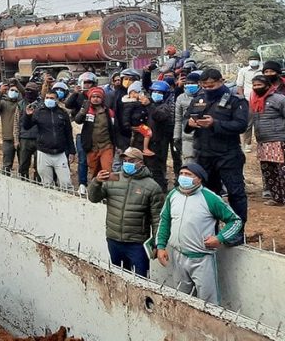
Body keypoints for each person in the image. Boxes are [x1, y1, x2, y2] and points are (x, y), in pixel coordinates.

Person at [155, 163, 243, 304]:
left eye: (189, 175)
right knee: (181, 299)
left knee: (209, 303)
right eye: (182, 173)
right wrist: (160, 246)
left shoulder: (210, 198)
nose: (183, 177)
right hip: (178, 256)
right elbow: (165, 221)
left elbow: (236, 221)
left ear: (199, 179)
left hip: (201, 259)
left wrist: (220, 238)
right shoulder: (173, 194)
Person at [184, 68, 249, 244]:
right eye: (204, 85)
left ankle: (237, 231)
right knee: (207, 195)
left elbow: (241, 125)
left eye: (211, 85)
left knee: (235, 194)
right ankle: (211, 230)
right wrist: (189, 123)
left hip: (228, 154)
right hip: (204, 155)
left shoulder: (236, 100)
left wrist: (215, 123)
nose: (208, 88)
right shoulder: (198, 98)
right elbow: (185, 120)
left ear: (221, 81)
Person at [87, 148, 165, 276]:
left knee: (141, 280)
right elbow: (93, 198)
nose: (127, 163)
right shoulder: (113, 178)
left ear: (140, 163)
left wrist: (158, 243)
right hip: (114, 239)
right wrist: (96, 182)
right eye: (125, 160)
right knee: (119, 277)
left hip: (137, 244)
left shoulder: (152, 186)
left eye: (131, 160)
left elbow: (157, 218)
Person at [22, 89, 74, 189]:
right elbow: (26, 126)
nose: (49, 100)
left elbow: (68, 133)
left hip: (60, 153)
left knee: (66, 183)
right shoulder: (38, 112)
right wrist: (27, 116)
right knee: (46, 184)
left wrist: (72, 151)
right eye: (47, 98)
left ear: (57, 100)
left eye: (51, 98)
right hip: (43, 152)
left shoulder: (63, 113)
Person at [250, 74, 285, 206]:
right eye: (254, 85)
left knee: (282, 171)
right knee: (269, 171)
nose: (257, 88)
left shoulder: (279, 99)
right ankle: (277, 198)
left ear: (267, 85)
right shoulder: (254, 100)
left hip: (279, 140)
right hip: (263, 141)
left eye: (259, 85)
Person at [75, 86, 122, 180]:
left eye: (98, 97)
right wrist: (83, 111)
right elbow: (78, 120)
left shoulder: (109, 112)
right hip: (92, 147)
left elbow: (115, 129)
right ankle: (96, 191)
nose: (95, 99)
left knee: (107, 171)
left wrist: (118, 145)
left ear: (102, 98)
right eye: (93, 97)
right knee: (94, 172)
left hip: (106, 146)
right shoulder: (87, 111)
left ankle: (107, 192)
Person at [146, 80, 176, 191]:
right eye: (154, 92)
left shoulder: (165, 106)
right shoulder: (148, 103)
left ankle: (161, 188)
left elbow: (160, 116)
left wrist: (150, 106)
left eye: (159, 92)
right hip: (146, 140)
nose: (156, 94)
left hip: (159, 140)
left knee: (158, 165)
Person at [0, 79, 24, 175]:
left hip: (20, 138)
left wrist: (17, 83)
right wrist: (0, 92)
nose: (13, 92)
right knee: (7, 165)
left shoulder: (20, 104)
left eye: (16, 91)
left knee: (23, 164)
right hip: (7, 138)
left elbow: (25, 93)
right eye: (12, 90)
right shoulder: (3, 102)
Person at [174, 71, 202, 169]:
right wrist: (176, 136)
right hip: (187, 136)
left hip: (203, 136)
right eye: (187, 83)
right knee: (188, 164)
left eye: (192, 83)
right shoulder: (181, 98)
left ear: (199, 83)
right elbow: (178, 119)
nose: (189, 85)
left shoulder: (204, 97)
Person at [237, 52, 263, 152]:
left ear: (259, 60)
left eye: (255, 59)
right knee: (248, 123)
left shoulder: (263, 70)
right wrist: (242, 99)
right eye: (251, 59)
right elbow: (239, 86)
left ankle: (261, 142)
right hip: (248, 99)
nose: (253, 61)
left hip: (262, 99)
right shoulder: (243, 71)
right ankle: (247, 143)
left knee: (261, 122)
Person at [17, 81, 42, 180]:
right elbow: (16, 123)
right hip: (24, 138)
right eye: (27, 90)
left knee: (39, 166)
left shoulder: (41, 104)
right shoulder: (21, 104)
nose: (29, 92)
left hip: (39, 138)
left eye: (31, 91)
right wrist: (16, 139)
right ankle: (24, 183)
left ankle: (38, 184)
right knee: (23, 165)